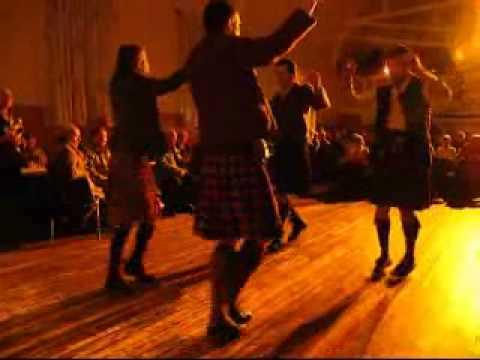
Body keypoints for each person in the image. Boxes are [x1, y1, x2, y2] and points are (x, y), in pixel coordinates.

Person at [187, 0, 321, 343]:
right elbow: (274, 46)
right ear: (230, 22)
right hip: (241, 155)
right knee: (263, 231)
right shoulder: (228, 47)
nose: (240, 27)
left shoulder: (199, 53)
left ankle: (222, 311)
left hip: (218, 156)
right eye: (239, 22)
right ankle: (222, 308)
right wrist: (308, 8)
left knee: (227, 238)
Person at [348, 45, 452, 280]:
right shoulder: (383, 88)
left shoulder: (421, 84)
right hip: (387, 151)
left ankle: (409, 256)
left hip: (411, 151)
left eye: (398, 64)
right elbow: (357, 97)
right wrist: (351, 78)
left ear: (408, 64)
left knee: (406, 207)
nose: (393, 68)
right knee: (381, 207)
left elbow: (445, 94)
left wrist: (423, 71)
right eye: (391, 64)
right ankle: (384, 255)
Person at [106, 45, 187, 291]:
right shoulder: (136, 83)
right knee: (137, 217)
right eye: (143, 59)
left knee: (140, 216)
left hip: (125, 156)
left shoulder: (117, 84)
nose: (145, 62)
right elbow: (167, 84)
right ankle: (117, 273)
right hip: (131, 157)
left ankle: (130, 266)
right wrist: (191, 67)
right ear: (137, 61)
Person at [268, 58, 331, 252]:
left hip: (296, 146)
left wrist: (318, 86)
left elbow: (322, 104)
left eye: (282, 73)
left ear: (292, 75)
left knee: (283, 190)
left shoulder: (301, 91)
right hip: (280, 147)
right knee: (279, 191)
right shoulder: (277, 97)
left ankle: (280, 234)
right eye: (276, 74)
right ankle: (294, 223)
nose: (278, 77)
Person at [156, 129, 194, 216]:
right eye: (172, 139)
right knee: (175, 182)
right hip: (166, 179)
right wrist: (181, 172)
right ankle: (175, 205)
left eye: (174, 139)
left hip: (175, 176)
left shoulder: (173, 150)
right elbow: (166, 167)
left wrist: (188, 165)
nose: (173, 141)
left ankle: (185, 203)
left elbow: (181, 161)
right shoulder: (161, 151)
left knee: (189, 179)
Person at [85, 126, 111, 191]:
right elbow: (92, 173)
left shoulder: (107, 152)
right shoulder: (88, 153)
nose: (104, 139)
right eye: (101, 136)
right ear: (93, 138)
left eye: (105, 136)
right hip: (98, 187)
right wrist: (107, 180)